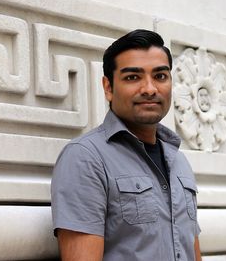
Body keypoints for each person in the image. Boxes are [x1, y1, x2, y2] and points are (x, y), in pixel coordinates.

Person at [51, 29, 202, 261]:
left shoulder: (178, 160)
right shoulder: (86, 158)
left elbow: (191, 249)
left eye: (160, 76)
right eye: (133, 77)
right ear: (108, 87)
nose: (150, 89)